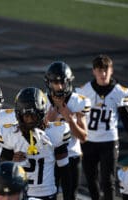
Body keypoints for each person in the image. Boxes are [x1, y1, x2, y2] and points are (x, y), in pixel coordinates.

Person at [75, 54, 128, 200]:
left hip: (109, 141)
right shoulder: (84, 91)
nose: (103, 74)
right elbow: (76, 116)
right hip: (88, 141)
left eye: (106, 70)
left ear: (111, 70)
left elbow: (127, 119)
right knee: (91, 180)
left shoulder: (119, 92)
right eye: (100, 70)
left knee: (108, 181)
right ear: (94, 71)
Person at [0, 87, 71, 200]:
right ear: (19, 115)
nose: (30, 120)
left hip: (47, 194)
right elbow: (2, 170)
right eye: (26, 116)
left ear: (42, 113)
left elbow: (65, 171)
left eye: (33, 115)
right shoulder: (10, 134)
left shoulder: (55, 133)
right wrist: (12, 163)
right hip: (20, 193)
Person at [44, 61, 91, 200]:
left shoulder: (79, 101)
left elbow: (83, 137)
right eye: (55, 82)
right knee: (47, 196)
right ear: (49, 83)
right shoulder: (41, 100)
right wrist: (50, 119)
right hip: (49, 156)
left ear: (69, 82)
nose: (59, 87)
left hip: (71, 155)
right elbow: (35, 134)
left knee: (70, 196)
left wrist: (69, 119)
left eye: (62, 82)